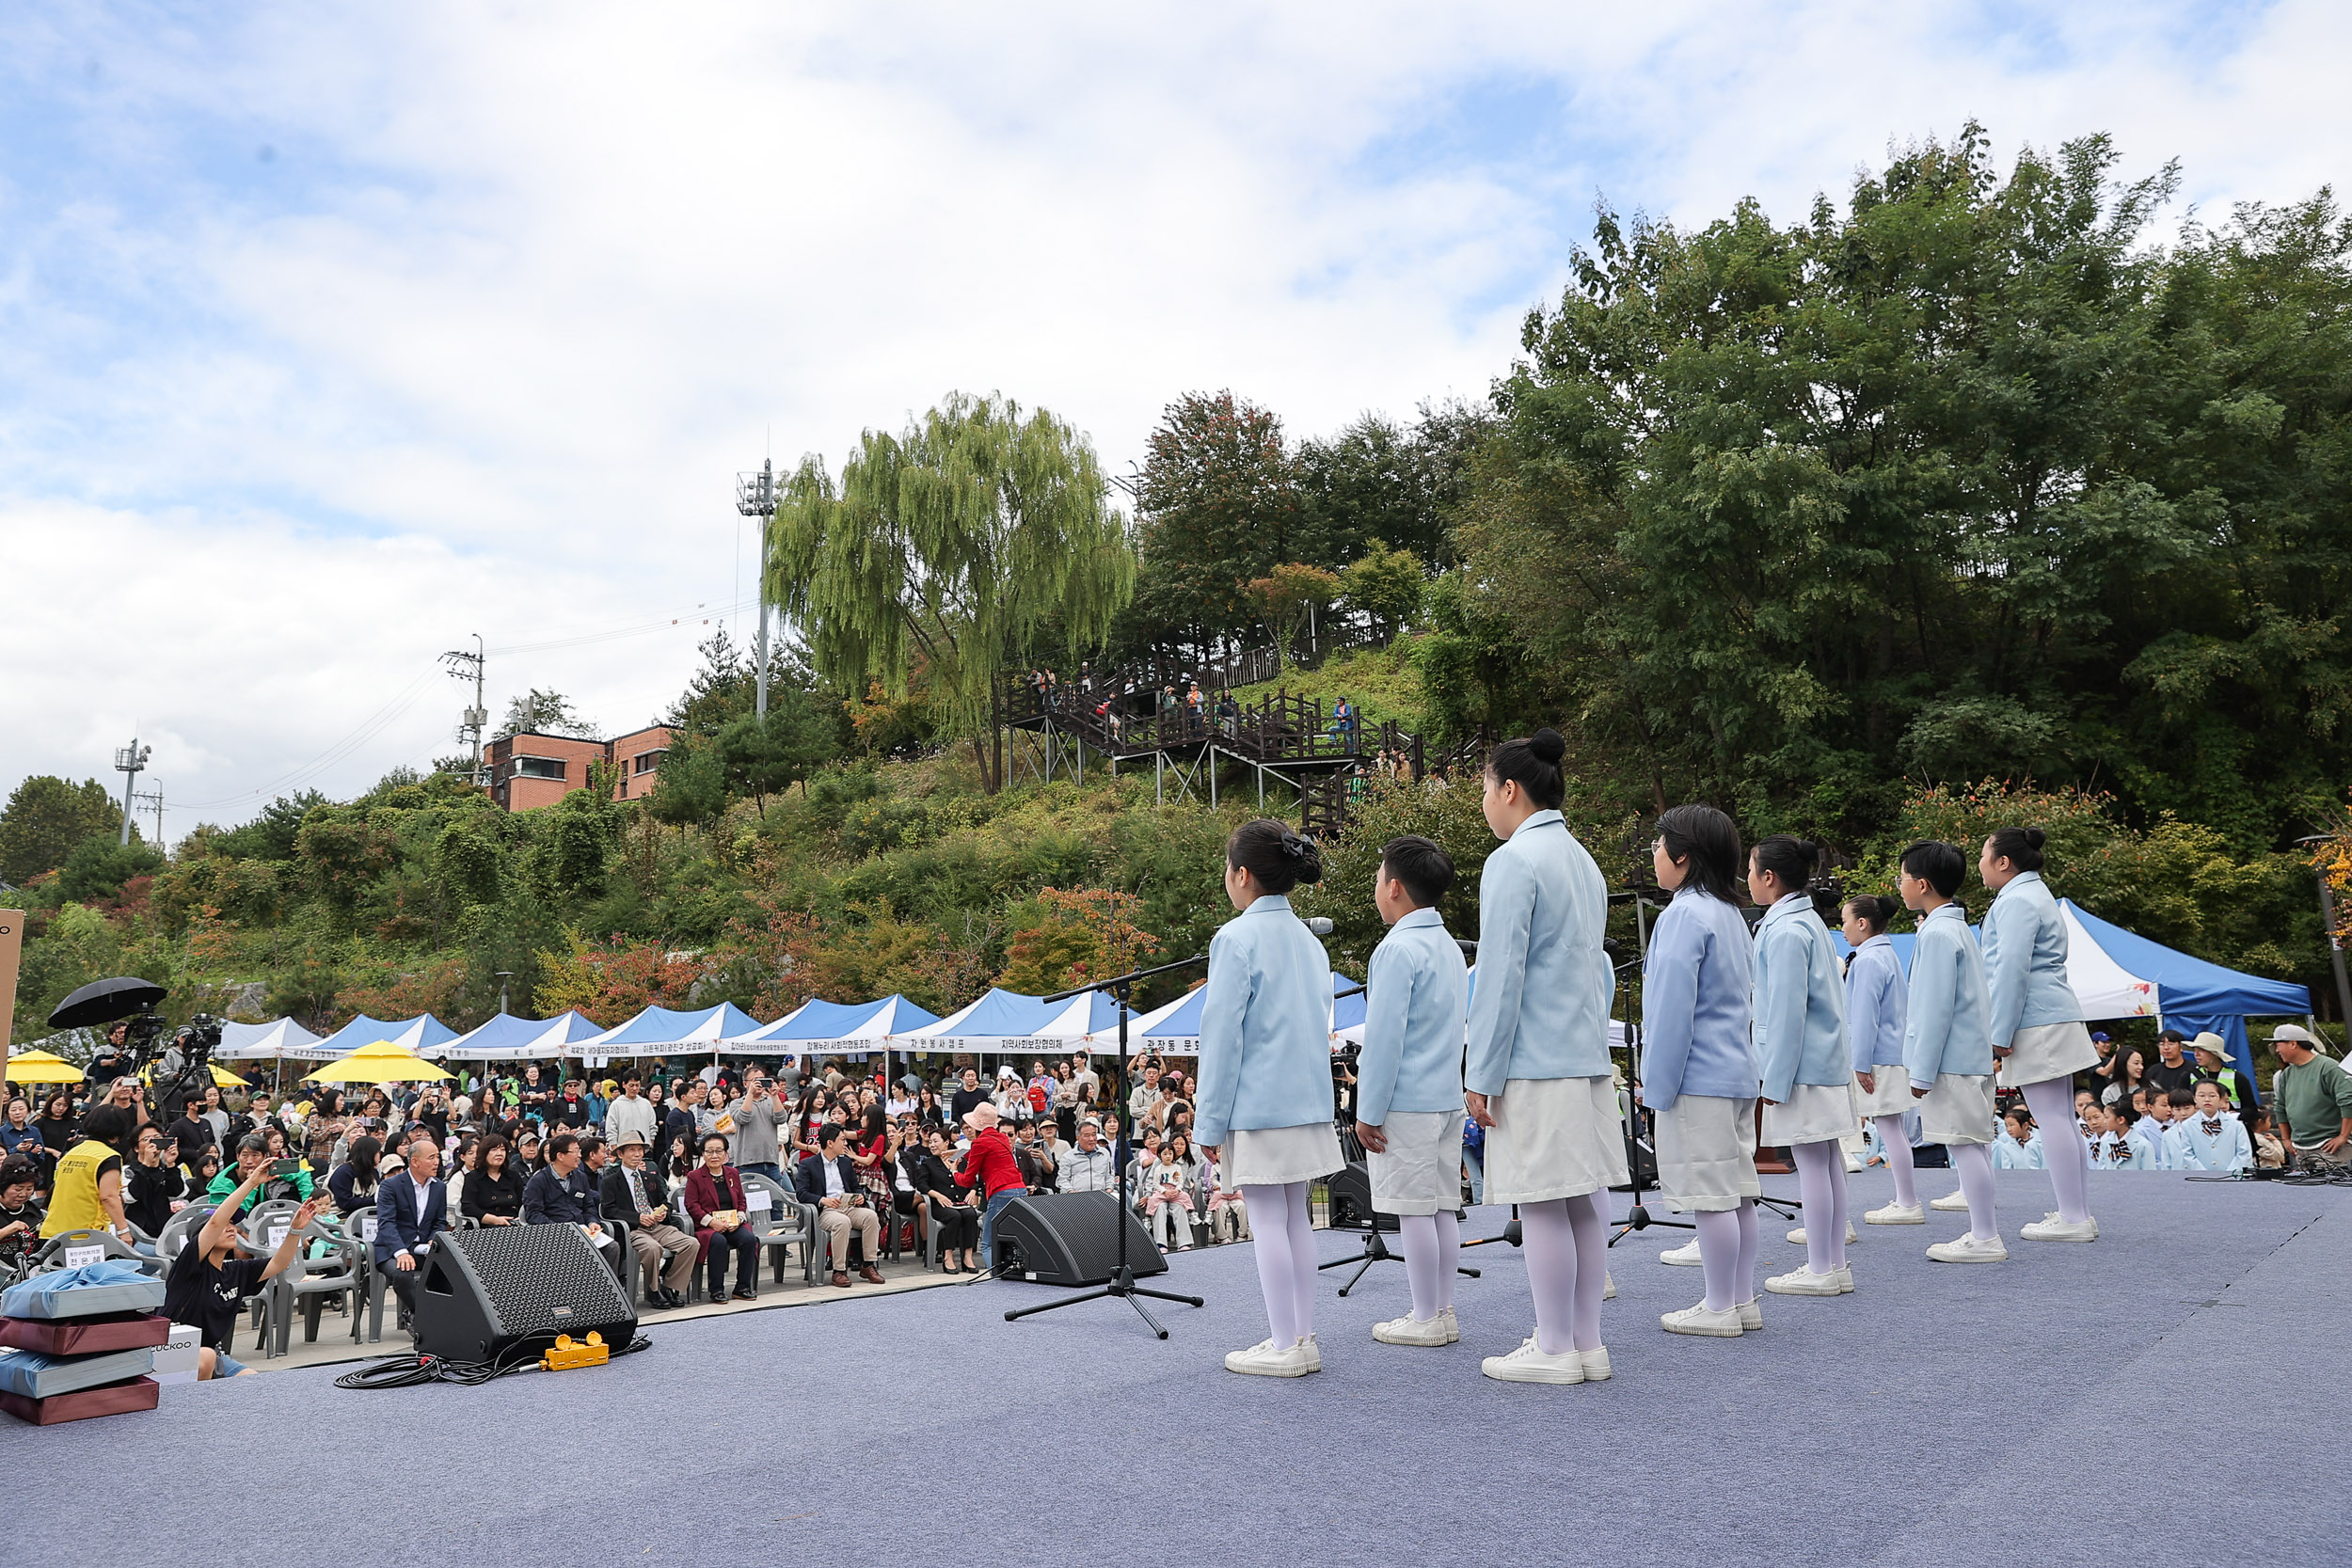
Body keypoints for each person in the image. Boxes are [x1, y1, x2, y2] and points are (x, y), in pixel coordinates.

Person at [1197, 818, 1341, 1379]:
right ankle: (1301, 1335)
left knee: (1268, 1223)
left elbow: (1222, 1037)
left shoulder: (1234, 938)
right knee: (1297, 1221)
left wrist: (1209, 1122)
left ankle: (1286, 1341)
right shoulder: (1309, 939)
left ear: (1241, 875)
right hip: (1307, 1102)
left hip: (1257, 1105)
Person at [1640, 803, 1761, 1340]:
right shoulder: (1730, 913)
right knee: (1738, 1191)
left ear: (1683, 857)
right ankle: (1740, 1298)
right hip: (1736, 1070)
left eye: (1659, 844)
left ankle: (1718, 1306)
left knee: (1712, 1196)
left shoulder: (1682, 915)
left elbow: (1670, 1012)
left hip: (1697, 1076)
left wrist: (1655, 1086)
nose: (1653, 853)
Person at [1353, 833, 1471, 1346]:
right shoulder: (1447, 945)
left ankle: (1426, 1314)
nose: (1377, 887)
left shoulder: (1396, 948)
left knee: (1414, 1208)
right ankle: (1440, 1308)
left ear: (1395, 887)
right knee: (1443, 1205)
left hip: (1406, 1100)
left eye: (1379, 878)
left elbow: (1382, 1042)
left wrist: (1367, 1109)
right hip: (1446, 1095)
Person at [1979, 827, 2102, 1243]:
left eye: (1984, 855)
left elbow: (2010, 969)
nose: (1979, 865)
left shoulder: (2015, 899)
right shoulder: (2033, 893)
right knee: (2062, 1118)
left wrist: (1999, 1031)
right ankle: (2076, 1210)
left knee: (2052, 1119)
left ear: (2003, 862)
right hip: (2051, 1011)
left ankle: (2073, 1216)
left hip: (2035, 1016)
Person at [1750, 835, 1858, 1298]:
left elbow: (1787, 1011)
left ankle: (1821, 1265)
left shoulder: (1787, 930)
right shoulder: (1806, 920)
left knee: (1814, 1164)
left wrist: (1773, 1077)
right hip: (1821, 1060)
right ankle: (1832, 1262)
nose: (1748, 880)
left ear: (1769, 878)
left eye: (1751, 871)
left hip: (1801, 1066)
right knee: (1826, 1161)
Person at [1894, 841, 2006, 1264]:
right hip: (1968, 1055)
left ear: (1922, 885)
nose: (1900, 886)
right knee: (1972, 1144)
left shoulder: (1938, 932)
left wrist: (1921, 1072)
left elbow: (1934, 1007)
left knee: (1963, 1144)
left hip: (1951, 1060)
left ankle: (1985, 1235)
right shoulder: (1955, 928)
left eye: (1903, 878)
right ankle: (1983, 1231)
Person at [166, 1165, 321, 1378]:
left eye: (232, 1223)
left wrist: (295, 1230)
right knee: (205, 1358)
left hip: (215, 1353)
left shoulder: (236, 1270)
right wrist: (252, 1182)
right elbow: (215, 1221)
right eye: (224, 1225)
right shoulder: (190, 1266)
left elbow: (279, 1263)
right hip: (172, 1351)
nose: (231, 1228)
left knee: (255, 1385)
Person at [1841, 894, 1919, 1225]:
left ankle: (1907, 1200)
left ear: (1862, 923)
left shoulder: (1868, 960)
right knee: (1893, 1129)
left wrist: (1860, 1064)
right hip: (1890, 1052)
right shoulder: (1884, 955)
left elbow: (1864, 1016)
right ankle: (1906, 1198)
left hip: (1878, 1056)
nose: (1842, 928)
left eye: (1845, 920)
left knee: (1890, 1129)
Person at [602, 1130, 697, 1308]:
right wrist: (638, 1218)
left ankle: (669, 1286)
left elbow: (665, 1202)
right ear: (621, 1154)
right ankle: (653, 1291)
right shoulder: (611, 1180)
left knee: (691, 1244)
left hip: (658, 1225)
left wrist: (662, 1212)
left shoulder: (649, 1176)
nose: (637, 1154)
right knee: (653, 1248)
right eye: (631, 1150)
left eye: (640, 1150)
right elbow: (608, 1210)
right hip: (634, 1229)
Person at [373, 1138, 446, 1338]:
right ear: (414, 1162)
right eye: (431, 1158)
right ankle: (421, 1315)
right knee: (402, 1272)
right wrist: (401, 1252)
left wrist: (433, 1239)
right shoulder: (391, 1186)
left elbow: (440, 1222)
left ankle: (443, 1316)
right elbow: (386, 1223)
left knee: (451, 1270)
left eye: (438, 1157)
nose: (436, 1162)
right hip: (391, 1249)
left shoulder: (439, 1188)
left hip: (422, 1248)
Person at [793, 1124, 881, 1289]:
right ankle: (839, 1271)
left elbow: (855, 1187)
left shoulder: (845, 1163)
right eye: (842, 1140)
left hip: (848, 1206)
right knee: (842, 1222)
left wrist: (859, 1196)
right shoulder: (808, 1164)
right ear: (830, 1143)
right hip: (826, 1210)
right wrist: (822, 1200)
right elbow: (801, 1194)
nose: (845, 1144)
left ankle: (868, 1265)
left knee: (871, 1216)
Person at [40, 1103, 137, 1244]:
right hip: (84, 1236)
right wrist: (124, 1231)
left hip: (52, 1233)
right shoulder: (108, 1156)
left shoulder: (72, 1153)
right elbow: (108, 1197)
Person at [521, 1133, 619, 1272]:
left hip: (583, 1232)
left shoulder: (580, 1177)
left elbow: (589, 1206)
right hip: (555, 1236)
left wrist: (592, 1222)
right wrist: (561, 1230)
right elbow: (533, 1214)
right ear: (560, 1156)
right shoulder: (538, 1181)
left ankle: (604, 1291)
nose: (579, 1156)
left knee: (612, 1248)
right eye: (575, 1151)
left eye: (579, 1151)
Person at [954, 1102, 1026, 1270]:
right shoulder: (1001, 1137)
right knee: (1012, 1238)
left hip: (1001, 1192)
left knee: (988, 1243)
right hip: (1020, 1189)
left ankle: (996, 1279)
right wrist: (960, 1154)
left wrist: (953, 1172)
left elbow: (966, 1180)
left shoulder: (979, 1144)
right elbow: (990, 1153)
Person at [2268, 1025, 2352, 1169]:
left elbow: (2348, 1102)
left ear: (2293, 1044)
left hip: (2330, 1149)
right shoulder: (2287, 1074)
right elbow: (2280, 1107)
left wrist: (2343, 1137)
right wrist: (2286, 1139)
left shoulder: (2329, 1067)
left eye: (2278, 1045)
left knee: (2334, 1190)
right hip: (2300, 1150)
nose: (2277, 1050)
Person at [914, 1127, 981, 1273]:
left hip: (959, 1202)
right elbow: (921, 1184)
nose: (932, 1145)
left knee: (970, 1214)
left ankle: (967, 1257)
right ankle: (947, 1256)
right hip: (940, 1205)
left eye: (936, 1141)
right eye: (930, 1142)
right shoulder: (928, 1163)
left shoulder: (959, 1160)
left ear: (946, 1143)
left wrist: (972, 1191)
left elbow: (973, 1179)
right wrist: (937, 1195)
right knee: (954, 1217)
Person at [2169, 1081, 2253, 1172]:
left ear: (2220, 1099)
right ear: (2195, 1099)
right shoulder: (2187, 1126)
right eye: (2201, 1096)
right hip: (2199, 1178)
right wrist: (2204, 1174)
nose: (2207, 1099)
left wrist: (2231, 1173)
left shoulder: (2236, 1125)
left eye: (2212, 1096)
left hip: (2231, 1178)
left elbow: (2244, 1153)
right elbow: (2187, 1154)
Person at [726, 1069, 789, 1187]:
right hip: (747, 1163)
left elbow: (781, 1119)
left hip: (771, 1161)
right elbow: (744, 1118)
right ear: (745, 1084)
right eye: (756, 1080)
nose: (760, 1084)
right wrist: (750, 1093)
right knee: (751, 1201)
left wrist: (775, 1096)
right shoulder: (737, 1103)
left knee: (776, 1202)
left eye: (763, 1080)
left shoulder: (770, 1101)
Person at [0, 1158, 43, 1273]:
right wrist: (7, 1230)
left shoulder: (35, 1213)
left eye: (29, 1189)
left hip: (30, 1273)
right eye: (18, 1189)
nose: (23, 1194)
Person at [1056, 1117, 1116, 1194]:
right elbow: (1062, 1179)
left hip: (1102, 1196)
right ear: (1078, 1138)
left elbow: (1109, 1175)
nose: (1091, 1139)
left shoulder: (1104, 1153)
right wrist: (1070, 1191)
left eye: (1094, 1135)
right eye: (1087, 1135)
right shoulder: (1068, 1157)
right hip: (1077, 1197)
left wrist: (1109, 1189)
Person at [2089, 1103, 2157, 1169]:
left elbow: (2149, 1173)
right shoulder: (2105, 1143)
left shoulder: (2143, 1145)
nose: (2105, 1121)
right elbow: (2102, 1170)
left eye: (2107, 1117)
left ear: (2121, 1120)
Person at [327, 1135, 382, 1217]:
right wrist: (374, 1200)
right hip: (337, 1216)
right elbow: (345, 1203)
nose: (380, 1156)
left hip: (364, 1214)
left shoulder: (373, 1173)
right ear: (369, 1154)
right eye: (378, 1152)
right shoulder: (344, 1172)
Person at [605, 1074, 659, 1149]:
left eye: (637, 1085)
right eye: (631, 1085)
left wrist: (651, 1143)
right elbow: (611, 1129)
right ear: (624, 1085)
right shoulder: (616, 1104)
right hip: (623, 1149)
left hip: (644, 1148)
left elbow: (652, 1126)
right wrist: (614, 1148)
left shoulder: (646, 1104)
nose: (634, 1088)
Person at [2146, 1032, 2199, 1097]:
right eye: (2162, 1044)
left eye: (2171, 1044)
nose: (2166, 1047)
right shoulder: (2153, 1071)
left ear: (2181, 1047)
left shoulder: (2194, 1069)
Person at [1994, 1105, 2045, 1169]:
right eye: (2006, 1126)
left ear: (2025, 1125)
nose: (2009, 1129)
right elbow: (2007, 1170)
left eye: (2012, 1125)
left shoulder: (2040, 1141)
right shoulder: (2007, 1147)